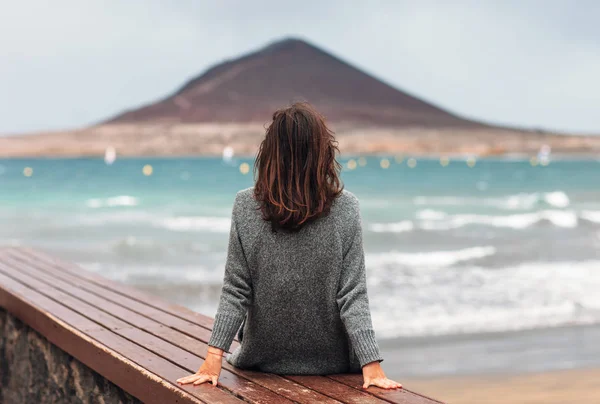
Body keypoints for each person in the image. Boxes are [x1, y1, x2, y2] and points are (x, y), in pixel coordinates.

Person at [177, 102, 401, 390]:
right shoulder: (347, 207)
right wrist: (371, 366)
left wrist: (213, 358)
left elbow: (236, 289)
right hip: (332, 360)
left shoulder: (245, 205)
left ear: (270, 153)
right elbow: (352, 294)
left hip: (262, 358)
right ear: (322, 153)